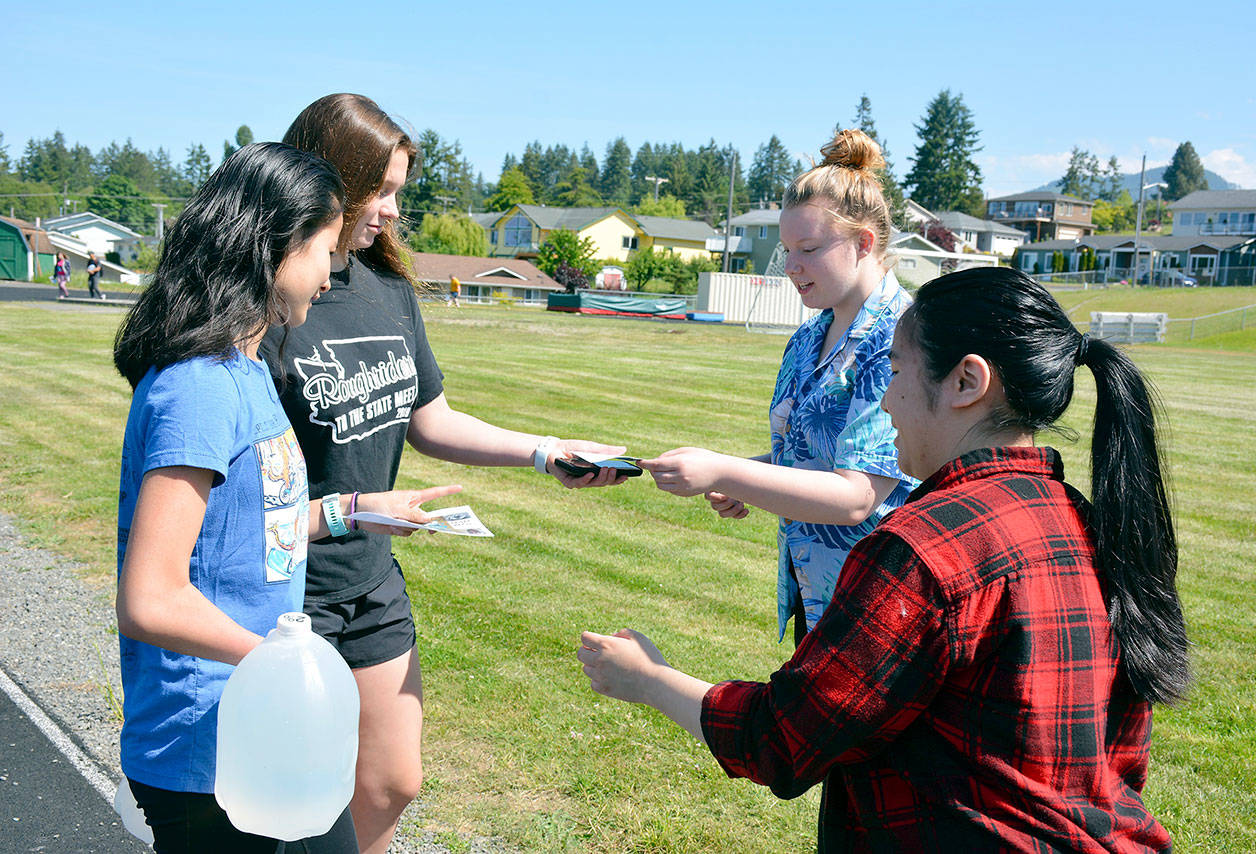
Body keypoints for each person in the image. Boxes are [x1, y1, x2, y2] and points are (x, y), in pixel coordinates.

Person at [579, 266, 1190, 852]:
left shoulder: (921, 551)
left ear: (966, 384)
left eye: (894, 372)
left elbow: (781, 739)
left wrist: (647, 679)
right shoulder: (1084, 519)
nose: (887, 401)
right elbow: (1122, 759)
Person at [261, 93, 626, 854]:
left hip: (369, 580)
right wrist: (342, 509)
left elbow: (431, 420)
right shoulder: (275, 298)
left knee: (394, 782)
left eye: (399, 191)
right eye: (381, 190)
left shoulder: (386, 289)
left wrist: (543, 450)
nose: (392, 210)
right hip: (286, 589)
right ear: (326, 180)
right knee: (289, 802)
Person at [113, 142, 461, 854]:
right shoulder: (200, 387)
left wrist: (353, 510)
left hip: (260, 730)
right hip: (206, 747)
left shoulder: (244, 371)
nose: (332, 277)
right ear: (272, 250)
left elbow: (244, 528)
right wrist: (292, 668)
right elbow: (150, 597)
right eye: (323, 252)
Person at [640, 129, 915, 644]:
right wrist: (743, 477)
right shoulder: (809, 336)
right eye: (787, 248)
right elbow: (809, 457)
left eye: (807, 249)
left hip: (882, 606)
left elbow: (859, 496)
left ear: (864, 243)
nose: (790, 266)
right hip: (817, 593)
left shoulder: (900, 339)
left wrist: (726, 470)